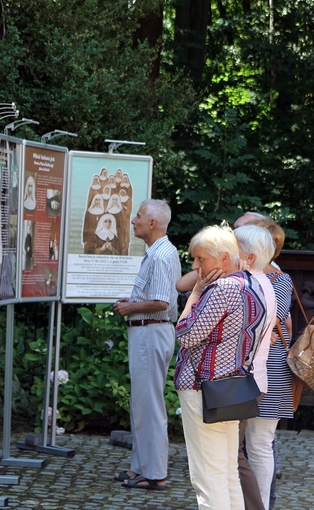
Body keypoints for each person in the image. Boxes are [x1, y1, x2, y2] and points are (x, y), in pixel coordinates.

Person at [174, 224, 267, 509]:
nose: (195, 265)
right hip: (231, 389)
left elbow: (185, 333)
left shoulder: (223, 288)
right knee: (226, 473)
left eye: (201, 259)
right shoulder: (253, 286)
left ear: (224, 259)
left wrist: (194, 295)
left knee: (209, 477)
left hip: (204, 388)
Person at [112, 199, 181, 491]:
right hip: (148, 330)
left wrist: (132, 309)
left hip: (152, 332)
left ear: (152, 223)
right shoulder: (158, 252)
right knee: (141, 404)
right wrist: (134, 303)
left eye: (138, 216)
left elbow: (162, 302)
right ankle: (141, 467)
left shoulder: (161, 255)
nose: (133, 221)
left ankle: (155, 473)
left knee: (149, 406)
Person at [244, 217, 295, 510]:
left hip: (270, 366)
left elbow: (274, 320)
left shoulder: (279, 279)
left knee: (260, 443)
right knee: (250, 445)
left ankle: (260, 504)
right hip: (251, 365)